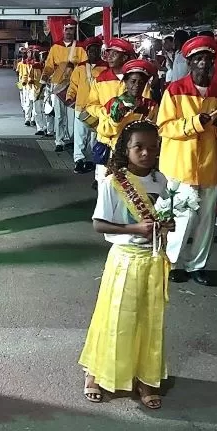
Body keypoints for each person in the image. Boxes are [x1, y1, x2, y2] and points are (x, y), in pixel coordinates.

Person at [79, 121, 173, 408]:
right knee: (115, 318)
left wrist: (168, 223)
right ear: (126, 149)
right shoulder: (113, 181)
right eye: (139, 147)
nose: (146, 153)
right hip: (125, 260)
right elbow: (98, 224)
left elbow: (165, 216)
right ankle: (96, 373)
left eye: (153, 147)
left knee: (150, 320)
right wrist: (135, 230)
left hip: (154, 260)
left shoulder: (162, 181)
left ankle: (145, 378)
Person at [156, 35, 217, 286]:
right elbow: (164, 127)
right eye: (198, 59)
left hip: (209, 165)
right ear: (189, 63)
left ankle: (197, 265)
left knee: (206, 221)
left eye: (208, 59)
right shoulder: (175, 90)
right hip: (180, 166)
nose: (203, 64)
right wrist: (195, 123)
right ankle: (172, 263)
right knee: (180, 219)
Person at [84, 38, 137, 176]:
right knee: (103, 184)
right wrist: (104, 112)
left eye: (115, 53)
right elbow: (90, 105)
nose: (109, 57)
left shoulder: (137, 80)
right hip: (106, 139)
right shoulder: (101, 79)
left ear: (125, 57)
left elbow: (145, 106)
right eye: (109, 53)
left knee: (129, 187)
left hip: (130, 141)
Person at [42, 21, 86, 153]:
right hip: (58, 85)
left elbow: (85, 65)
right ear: (63, 30)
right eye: (67, 29)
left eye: (71, 29)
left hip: (74, 85)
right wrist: (44, 76)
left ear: (74, 31)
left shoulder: (80, 47)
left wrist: (73, 66)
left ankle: (71, 140)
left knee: (72, 115)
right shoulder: (56, 47)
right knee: (59, 115)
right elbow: (49, 65)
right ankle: (59, 141)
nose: (69, 32)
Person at [68, 37, 106, 174]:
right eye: (91, 51)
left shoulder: (106, 68)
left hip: (98, 109)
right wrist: (69, 97)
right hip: (81, 108)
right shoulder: (80, 68)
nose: (94, 53)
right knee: (80, 135)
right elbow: (73, 85)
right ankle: (79, 160)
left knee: (96, 137)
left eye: (96, 50)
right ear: (87, 52)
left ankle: (97, 161)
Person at [17, 47, 37, 127]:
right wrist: (20, 85)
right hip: (24, 84)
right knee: (25, 101)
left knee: (33, 103)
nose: (25, 54)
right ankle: (27, 118)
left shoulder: (34, 64)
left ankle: (32, 119)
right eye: (23, 53)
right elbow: (18, 74)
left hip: (33, 86)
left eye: (27, 53)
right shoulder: (20, 63)